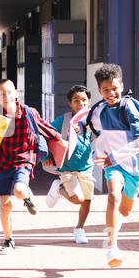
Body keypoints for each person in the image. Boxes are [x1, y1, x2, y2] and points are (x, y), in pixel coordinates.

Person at [86, 63, 139, 268]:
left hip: (135, 165)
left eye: (114, 88)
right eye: (105, 90)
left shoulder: (129, 107)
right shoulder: (98, 110)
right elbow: (92, 131)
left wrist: (115, 156)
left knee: (125, 211)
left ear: (122, 86)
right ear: (99, 91)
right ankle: (111, 245)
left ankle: (112, 230)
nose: (111, 93)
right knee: (113, 195)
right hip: (113, 165)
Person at [0, 78, 44, 255]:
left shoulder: (29, 112)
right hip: (3, 161)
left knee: (20, 190)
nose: (6, 96)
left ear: (16, 93)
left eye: (9, 92)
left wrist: (61, 143)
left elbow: (45, 129)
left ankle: (27, 196)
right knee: (6, 204)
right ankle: (8, 240)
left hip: (23, 159)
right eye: (1, 94)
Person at [43, 84, 95, 245]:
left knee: (87, 200)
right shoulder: (63, 120)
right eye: (76, 100)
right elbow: (46, 135)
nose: (81, 103)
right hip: (67, 168)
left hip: (86, 167)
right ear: (70, 103)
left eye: (84, 100)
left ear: (89, 102)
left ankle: (79, 229)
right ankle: (59, 188)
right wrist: (46, 154)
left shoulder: (94, 121)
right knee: (78, 199)